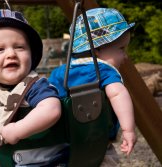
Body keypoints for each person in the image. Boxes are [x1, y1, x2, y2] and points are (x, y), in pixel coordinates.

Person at [0, 9, 69, 166]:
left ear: (31, 54)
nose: (11, 54)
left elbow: (51, 110)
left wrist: (18, 130)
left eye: (20, 47)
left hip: (52, 159)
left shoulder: (34, 86)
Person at [49, 8, 137, 165]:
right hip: (99, 145)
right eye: (121, 48)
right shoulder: (104, 70)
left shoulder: (59, 72)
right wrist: (128, 130)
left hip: (63, 145)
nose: (125, 56)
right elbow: (117, 94)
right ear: (97, 49)